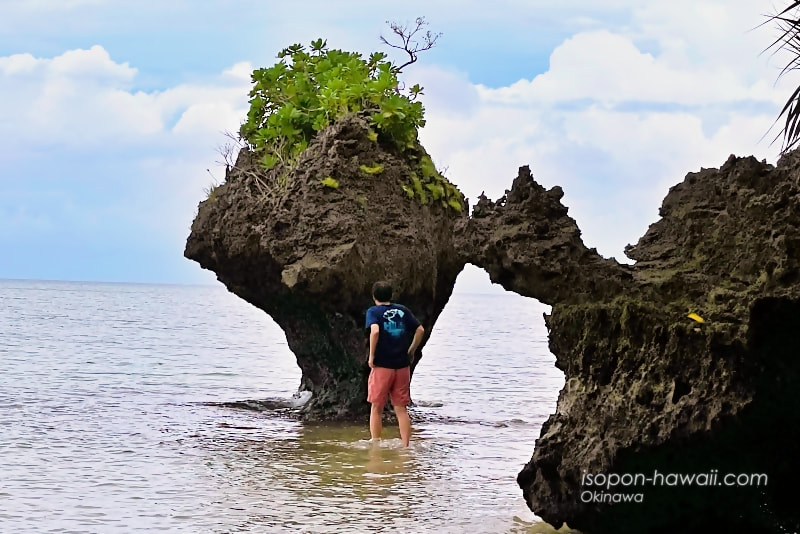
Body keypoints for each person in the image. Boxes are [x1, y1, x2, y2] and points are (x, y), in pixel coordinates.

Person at [365, 281, 424, 447]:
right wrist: (411, 351)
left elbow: (375, 331)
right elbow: (420, 330)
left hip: (383, 365)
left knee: (377, 407)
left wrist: (371, 356)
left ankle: (376, 443)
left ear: (374, 296)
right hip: (402, 366)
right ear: (391, 296)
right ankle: (406, 445)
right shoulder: (403, 310)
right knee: (401, 408)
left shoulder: (373, 311)